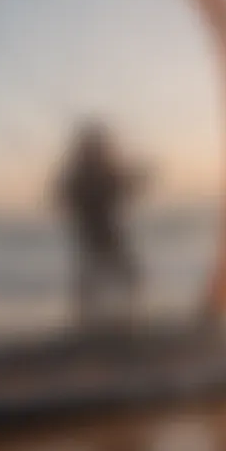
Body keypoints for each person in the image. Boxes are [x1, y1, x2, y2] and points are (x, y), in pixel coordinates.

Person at [54, 121, 148, 325]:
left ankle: (102, 321)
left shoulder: (93, 172)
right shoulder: (86, 174)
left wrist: (137, 178)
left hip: (101, 234)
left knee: (112, 278)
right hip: (99, 234)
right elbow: (64, 196)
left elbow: (125, 187)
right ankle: (96, 322)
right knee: (120, 277)